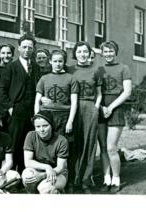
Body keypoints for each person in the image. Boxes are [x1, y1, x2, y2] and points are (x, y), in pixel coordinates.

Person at [34, 49, 78, 192]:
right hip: (48, 117)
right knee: (49, 149)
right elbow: (37, 100)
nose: (58, 64)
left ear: (64, 62)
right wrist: (37, 118)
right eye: (55, 61)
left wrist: (70, 121)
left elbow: (74, 102)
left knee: (67, 150)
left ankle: (68, 181)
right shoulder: (44, 78)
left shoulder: (71, 78)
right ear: (50, 62)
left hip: (64, 117)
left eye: (61, 61)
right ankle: (49, 180)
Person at [0, 34, 41, 172]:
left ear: (33, 50)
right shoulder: (11, 67)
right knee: (14, 143)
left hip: (31, 111)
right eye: (24, 47)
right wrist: (10, 107)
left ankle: (23, 174)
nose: (27, 50)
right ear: (19, 48)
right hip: (16, 110)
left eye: (30, 47)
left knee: (27, 144)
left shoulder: (36, 67)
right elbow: (1, 89)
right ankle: (10, 175)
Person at [97, 41, 132, 193]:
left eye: (111, 51)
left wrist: (110, 107)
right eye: (105, 51)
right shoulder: (98, 69)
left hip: (115, 109)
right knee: (103, 148)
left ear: (115, 52)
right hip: (101, 108)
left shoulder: (124, 68)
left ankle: (116, 179)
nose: (108, 54)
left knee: (111, 147)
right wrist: (102, 107)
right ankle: (107, 179)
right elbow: (95, 91)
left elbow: (127, 92)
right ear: (102, 53)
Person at [68, 41, 102, 193]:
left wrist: (96, 107)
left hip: (90, 107)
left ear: (89, 54)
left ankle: (85, 181)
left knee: (89, 144)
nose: (82, 54)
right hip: (73, 109)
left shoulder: (96, 70)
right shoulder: (69, 69)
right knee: (74, 143)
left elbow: (99, 93)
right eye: (79, 51)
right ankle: (72, 180)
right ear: (75, 54)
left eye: (85, 52)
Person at [22, 111, 69, 194]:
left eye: (45, 126)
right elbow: (28, 162)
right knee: (27, 176)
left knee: (44, 188)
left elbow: (60, 167)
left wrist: (43, 175)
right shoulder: (31, 136)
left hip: (57, 173)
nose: (41, 130)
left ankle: (55, 192)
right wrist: (47, 167)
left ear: (52, 125)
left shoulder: (61, 140)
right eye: (38, 126)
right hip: (39, 170)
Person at [0, 44, 15, 132]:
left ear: (13, 55)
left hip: (14, 107)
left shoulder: (16, 70)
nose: (6, 56)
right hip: (0, 108)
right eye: (3, 53)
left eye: (9, 53)